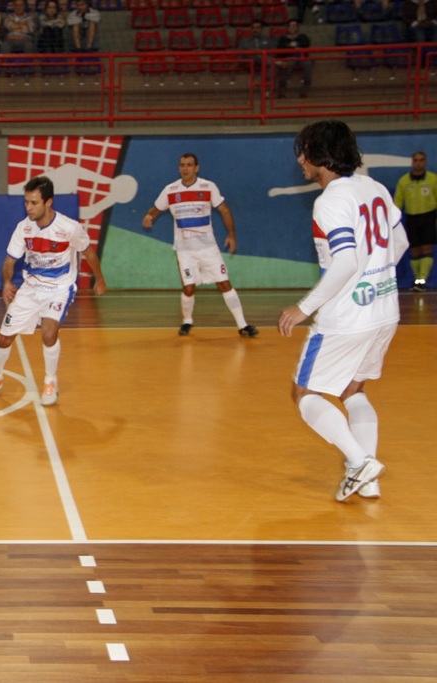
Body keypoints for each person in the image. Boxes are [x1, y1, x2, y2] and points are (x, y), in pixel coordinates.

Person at [278, 119, 409, 501]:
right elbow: (398, 241)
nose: (300, 159)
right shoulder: (374, 188)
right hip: (384, 310)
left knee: (304, 393)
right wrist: (377, 274)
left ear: (320, 156)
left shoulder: (330, 200)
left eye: (304, 151)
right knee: (354, 390)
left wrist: (304, 307)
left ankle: (359, 461)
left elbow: (346, 261)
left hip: (346, 316)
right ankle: (366, 477)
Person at [0, 174, 108, 407]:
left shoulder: (69, 228)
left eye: (34, 202)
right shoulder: (23, 228)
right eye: (26, 202)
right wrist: (7, 283)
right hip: (30, 289)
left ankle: (50, 382)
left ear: (48, 202)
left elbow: (88, 253)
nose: (28, 207)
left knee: (48, 333)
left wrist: (99, 279)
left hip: (59, 289)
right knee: (3, 338)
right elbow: (10, 261)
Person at [142, 153, 258, 338]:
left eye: (189, 165)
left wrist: (232, 235)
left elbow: (224, 209)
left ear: (197, 168)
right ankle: (187, 321)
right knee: (189, 288)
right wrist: (149, 216)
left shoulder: (208, 187)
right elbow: (155, 209)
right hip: (184, 250)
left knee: (224, 283)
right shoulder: (170, 190)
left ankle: (243, 325)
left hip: (208, 248)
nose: (185, 168)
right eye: (182, 165)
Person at [393, 151, 437, 291]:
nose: (418, 162)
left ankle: (422, 280)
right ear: (412, 162)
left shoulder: (433, 179)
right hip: (412, 218)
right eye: (416, 160)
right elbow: (397, 202)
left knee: (427, 247)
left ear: (425, 162)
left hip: (429, 216)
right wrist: (393, 221)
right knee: (415, 250)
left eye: (421, 160)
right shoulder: (404, 181)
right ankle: (417, 280)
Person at [274, 19, 313, 99]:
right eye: (291, 26)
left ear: (297, 28)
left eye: (294, 26)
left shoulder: (302, 36)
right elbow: (280, 48)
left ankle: (305, 90)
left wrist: (296, 43)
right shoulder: (283, 38)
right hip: (289, 57)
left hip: (302, 57)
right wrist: (292, 47)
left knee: (308, 64)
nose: (293, 27)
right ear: (287, 28)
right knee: (287, 64)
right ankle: (282, 91)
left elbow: (306, 44)